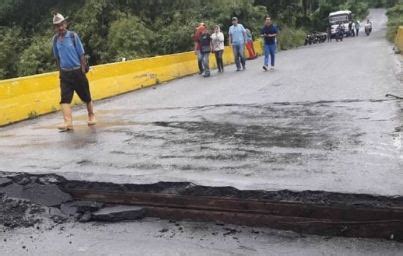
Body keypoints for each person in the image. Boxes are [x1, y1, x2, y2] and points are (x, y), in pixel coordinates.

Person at [52, 13, 96, 132]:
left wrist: (83, 68)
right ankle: (68, 122)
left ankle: (91, 115)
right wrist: (60, 71)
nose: (60, 28)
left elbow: (81, 54)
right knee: (65, 99)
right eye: (57, 26)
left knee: (86, 96)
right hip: (65, 74)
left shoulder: (73, 36)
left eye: (61, 25)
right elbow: (57, 57)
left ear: (65, 24)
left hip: (77, 71)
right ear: (54, 28)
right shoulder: (55, 39)